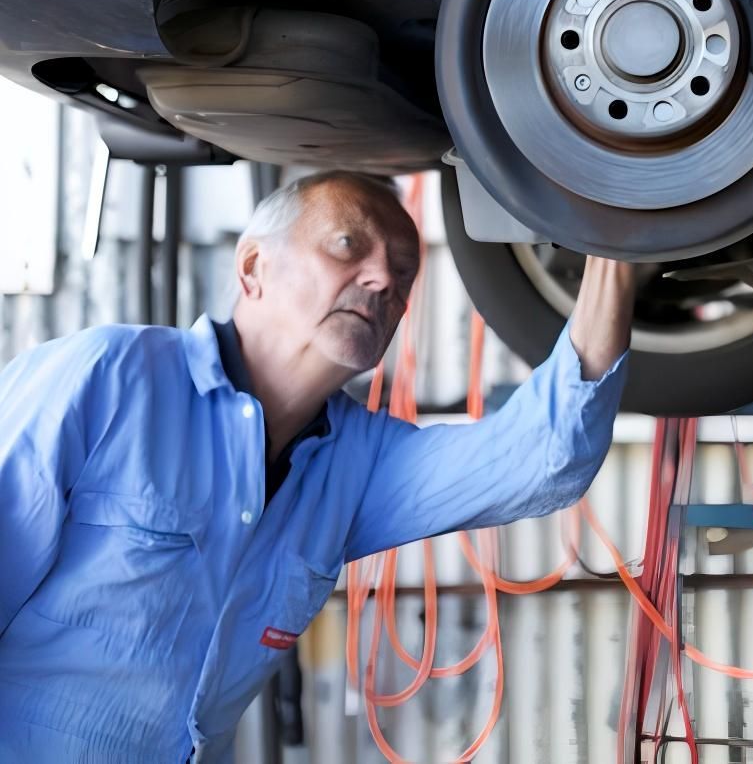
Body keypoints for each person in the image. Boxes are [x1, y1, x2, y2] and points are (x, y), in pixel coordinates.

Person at [0, 170, 635, 762]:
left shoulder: (359, 467)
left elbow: (544, 456)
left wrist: (620, 239)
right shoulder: (109, 377)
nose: (384, 280)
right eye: (347, 246)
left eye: (404, 272)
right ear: (254, 267)